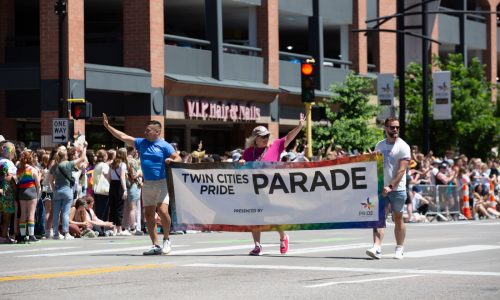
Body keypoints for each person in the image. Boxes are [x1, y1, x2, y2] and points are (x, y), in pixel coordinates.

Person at [103, 113, 182, 255]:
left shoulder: (165, 145)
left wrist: (172, 161)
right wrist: (108, 127)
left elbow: (178, 157)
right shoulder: (141, 143)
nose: (145, 132)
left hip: (162, 183)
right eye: (145, 130)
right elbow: (123, 136)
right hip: (147, 184)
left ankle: (167, 239)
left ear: (157, 132)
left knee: (163, 211)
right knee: (149, 214)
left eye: (148, 130)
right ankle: (155, 245)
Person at [240, 113, 305, 255]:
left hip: (272, 187)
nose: (266, 138)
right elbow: (242, 168)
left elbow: (288, 137)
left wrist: (299, 126)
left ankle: (283, 237)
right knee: (255, 216)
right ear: (255, 139)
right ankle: (257, 246)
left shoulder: (274, 146)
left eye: (267, 136)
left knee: (273, 214)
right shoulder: (248, 152)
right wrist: (241, 164)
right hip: (254, 189)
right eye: (262, 136)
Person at [366, 117, 411, 260]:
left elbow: (401, 170)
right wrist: (371, 158)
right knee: (379, 217)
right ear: (385, 128)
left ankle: (399, 248)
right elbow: (376, 166)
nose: (395, 129)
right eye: (392, 127)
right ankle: (377, 247)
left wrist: (390, 186)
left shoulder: (403, 146)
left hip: (397, 189)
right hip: (381, 187)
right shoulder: (379, 145)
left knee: (397, 217)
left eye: (397, 127)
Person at [48, 143, 87, 240]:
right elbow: (82, 159)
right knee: (65, 213)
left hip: (57, 189)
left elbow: (50, 180)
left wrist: (54, 189)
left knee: (56, 212)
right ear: (65, 155)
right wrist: (85, 147)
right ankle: (66, 233)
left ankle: (56, 233)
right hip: (67, 190)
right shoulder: (68, 164)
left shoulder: (54, 166)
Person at [16, 149, 41, 243]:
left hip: (21, 193)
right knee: (31, 214)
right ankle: (31, 235)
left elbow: (17, 181)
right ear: (30, 158)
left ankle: (23, 236)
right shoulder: (32, 169)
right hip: (31, 192)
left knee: (23, 214)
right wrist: (38, 196)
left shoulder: (19, 169)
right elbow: (38, 185)